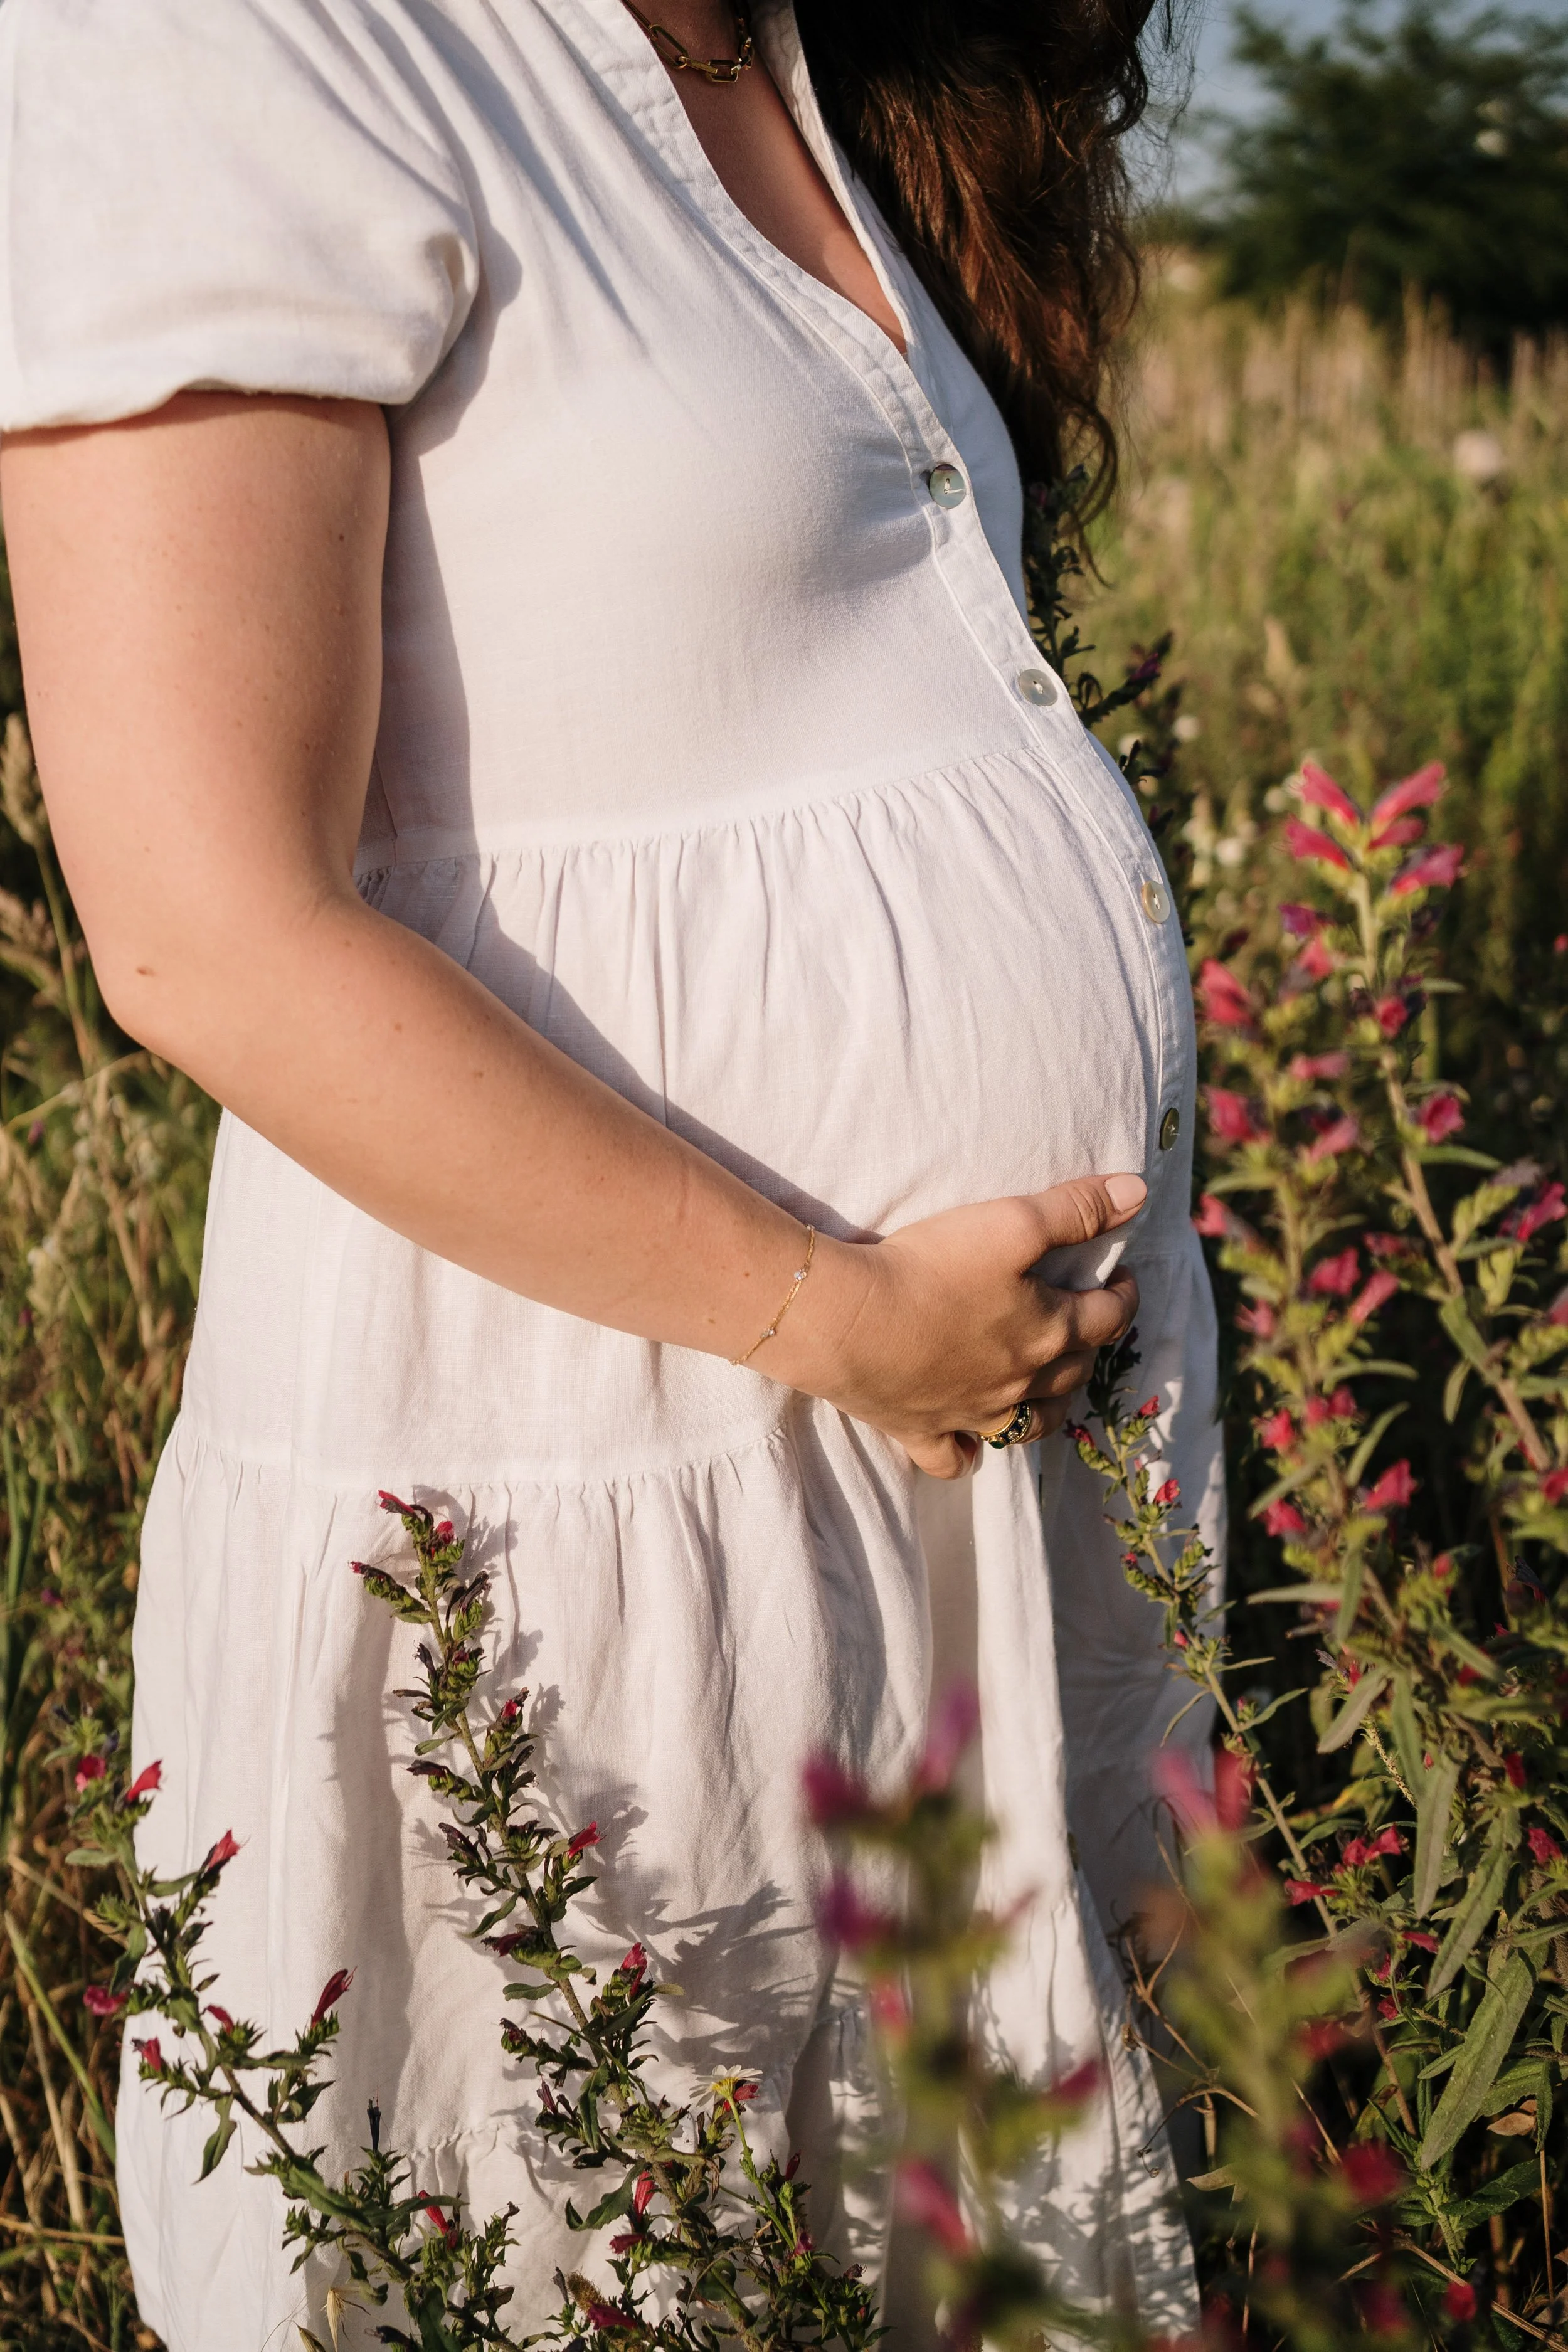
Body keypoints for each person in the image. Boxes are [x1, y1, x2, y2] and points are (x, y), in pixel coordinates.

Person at [0, 1, 1222, 2343]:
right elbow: (201, 927)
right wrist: (830, 1313)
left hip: (945, 1455)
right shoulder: (235, 35)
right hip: (607, 1455)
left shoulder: (771, 48)